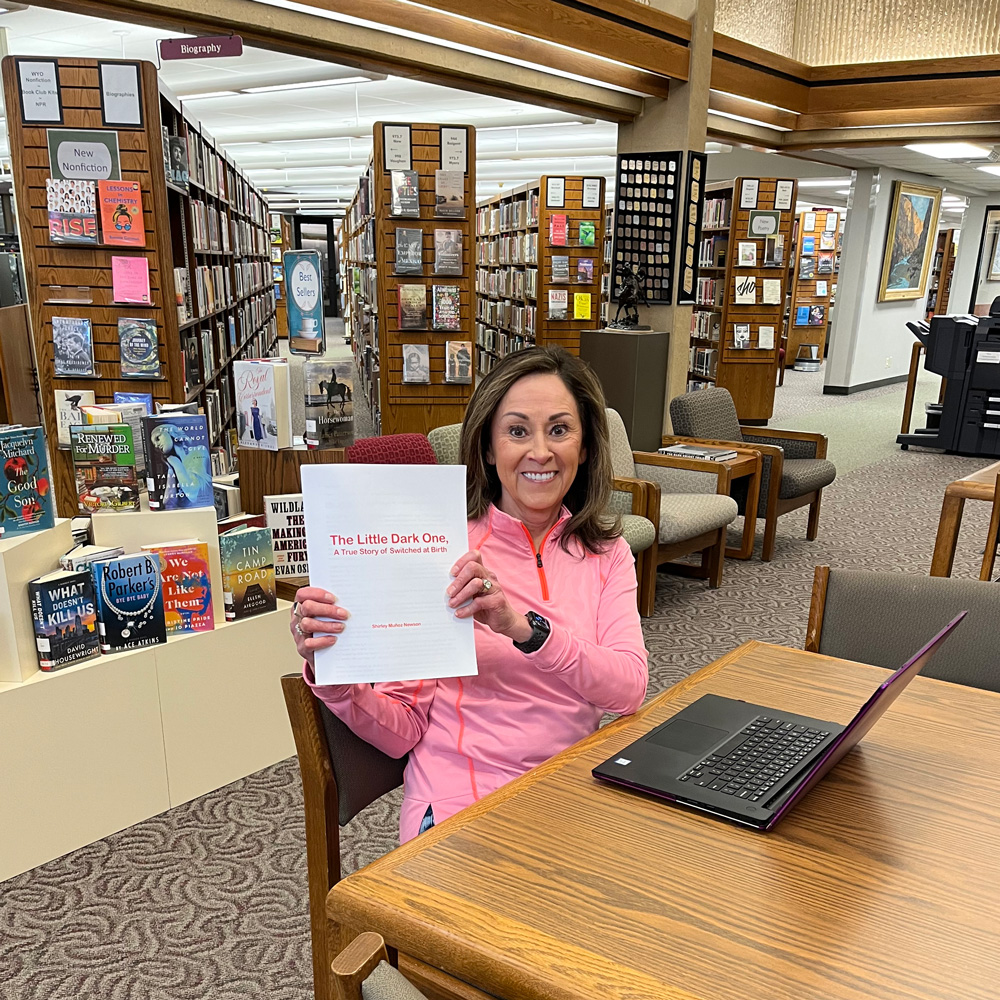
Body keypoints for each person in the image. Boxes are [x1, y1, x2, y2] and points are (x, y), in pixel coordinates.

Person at [291, 346, 648, 842]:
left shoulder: (607, 553)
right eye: (517, 431)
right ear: (487, 446)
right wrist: (335, 674)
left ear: (585, 446)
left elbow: (628, 689)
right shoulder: (441, 551)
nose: (540, 451)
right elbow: (403, 732)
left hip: (573, 796)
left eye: (560, 429)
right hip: (465, 807)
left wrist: (525, 631)